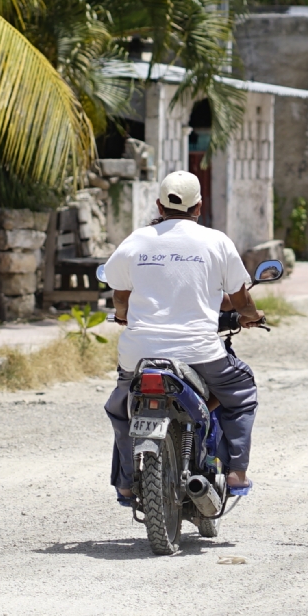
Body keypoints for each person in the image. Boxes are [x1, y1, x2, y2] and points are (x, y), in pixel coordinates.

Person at [100, 170, 264, 506]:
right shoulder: (216, 241)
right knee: (241, 392)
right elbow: (240, 300)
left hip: (139, 355)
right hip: (200, 353)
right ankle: (236, 472)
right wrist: (252, 316)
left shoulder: (137, 240)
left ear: (159, 205)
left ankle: (128, 483)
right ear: (199, 206)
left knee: (121, 407)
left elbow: (120, 296)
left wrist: (122, 315)